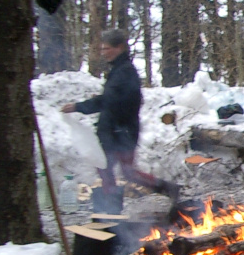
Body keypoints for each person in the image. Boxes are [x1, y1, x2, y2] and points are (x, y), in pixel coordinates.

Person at [60, 28, 179, 205]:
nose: (103, 53)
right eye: (102, 49)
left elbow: (112, 102)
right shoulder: (118, 71)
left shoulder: (124, 72)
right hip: (115, 130)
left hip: (121, 131)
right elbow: (113, 99)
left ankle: (167, 189)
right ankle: (112, 210)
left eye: (107, 49)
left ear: (120, 48)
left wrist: (79, 107)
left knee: (122, 172)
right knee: (107, 170)